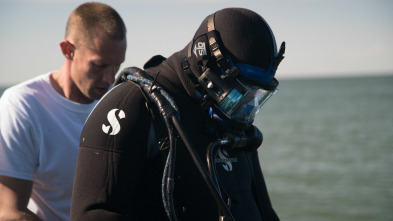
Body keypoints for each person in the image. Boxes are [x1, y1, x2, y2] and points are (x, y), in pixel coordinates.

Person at [71, 7, 285, 221]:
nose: (246, 107)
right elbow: (92, 214)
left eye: (256, 95)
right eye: (241, 91)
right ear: (208, 68)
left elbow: (265, 211)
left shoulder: (232, 118)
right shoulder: (132, 104)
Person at [0, 2, 127, 221]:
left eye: (116, 67)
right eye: (98, 65)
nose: (109, 79)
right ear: (68, 50)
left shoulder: (121, 103)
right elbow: (10, 212)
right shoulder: (22, 106)